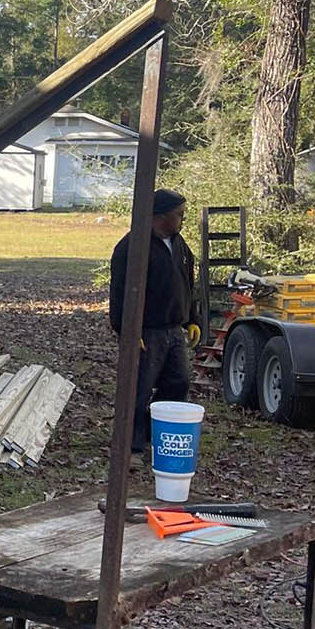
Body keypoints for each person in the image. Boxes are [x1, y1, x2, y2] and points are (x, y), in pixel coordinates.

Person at [108, 187, 203, 456]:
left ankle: (157, 431)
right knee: (139, 387)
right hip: (147, 331)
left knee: (178, 382)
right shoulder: (132, 246)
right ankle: (132, 440)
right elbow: (119, 292)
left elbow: (188, 283)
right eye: (179, 214)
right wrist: (128, 329)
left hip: (174, 329)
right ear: (160, 216)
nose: (183, 219)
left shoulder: (179, 245)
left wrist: (192, 319)